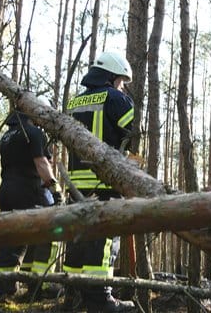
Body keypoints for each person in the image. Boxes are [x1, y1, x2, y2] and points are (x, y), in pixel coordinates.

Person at [63, 51, 135, 312]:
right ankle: (100, 300)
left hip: (76, 183)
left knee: (77, 236)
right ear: (113, 77)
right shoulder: (116, 98)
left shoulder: (75, 101)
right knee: (104, 238)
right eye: (121, 80)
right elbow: (132, 134)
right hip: (105, 181)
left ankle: (71, 294)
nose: (122, 85)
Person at [0, 106, 62, 300]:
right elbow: (41, 163)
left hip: (6, 190)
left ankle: (4, 287)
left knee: (11, 238)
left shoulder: (5, 137)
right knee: (47, 233)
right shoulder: (33, 132)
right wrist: (54, 189)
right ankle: (39, 284)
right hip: (29, 190)